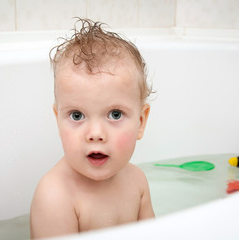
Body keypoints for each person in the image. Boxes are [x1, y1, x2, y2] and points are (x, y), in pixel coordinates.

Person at [30, 18, 155, 239]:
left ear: (141, 122)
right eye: (77, 115)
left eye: (115, 114)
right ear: (57, 120)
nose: (95, 134)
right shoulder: (55, 195)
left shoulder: (137, 182)